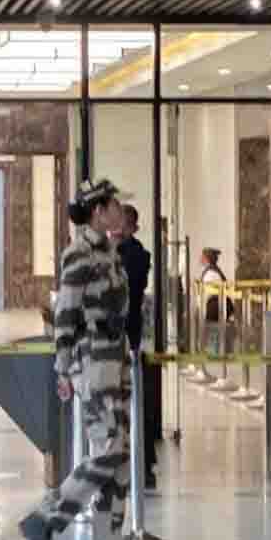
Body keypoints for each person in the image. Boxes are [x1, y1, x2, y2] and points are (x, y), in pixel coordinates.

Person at [18, 178, 131, 540]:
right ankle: (46, 516)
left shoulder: (110, 253)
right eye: (114, 205)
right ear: (98, 212)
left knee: (121, 462)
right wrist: (62, 367)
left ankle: (109, 536)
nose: (119, 211)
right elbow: (65, 314)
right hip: (95, 365)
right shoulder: (78, 254)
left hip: (117, 363)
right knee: (110, 449)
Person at [115, 204, 157, 492]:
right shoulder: (115, 252)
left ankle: (141, 465)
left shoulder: (135, 255)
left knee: (132, 406)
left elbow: (126, 290)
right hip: (118, 338)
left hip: (126, 338)